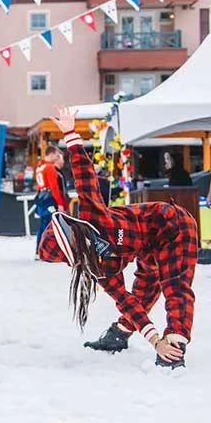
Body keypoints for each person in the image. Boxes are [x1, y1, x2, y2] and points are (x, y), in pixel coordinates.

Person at [39, 106, 198, 369]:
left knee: (174, 284)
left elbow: (83, 176)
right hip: (146, 249)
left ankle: (176, 344)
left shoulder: (92, 215)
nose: (77, 232)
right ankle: (121, 334)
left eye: (71, 230)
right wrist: (154, 339)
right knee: (143, 289)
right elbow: (126, 299)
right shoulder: (98, 268)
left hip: (172, 225)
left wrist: (70, 134)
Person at [34, 145, 68, 255]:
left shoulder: (40, 167)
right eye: (57, 155)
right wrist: (60, 203)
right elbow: (54, 187)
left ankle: (40, 250)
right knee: (49, 225)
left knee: (43, 225)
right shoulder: (49, 168)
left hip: (42, 197)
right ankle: (44, 250)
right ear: (52, 154)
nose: (58, 158)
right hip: (50, 199)